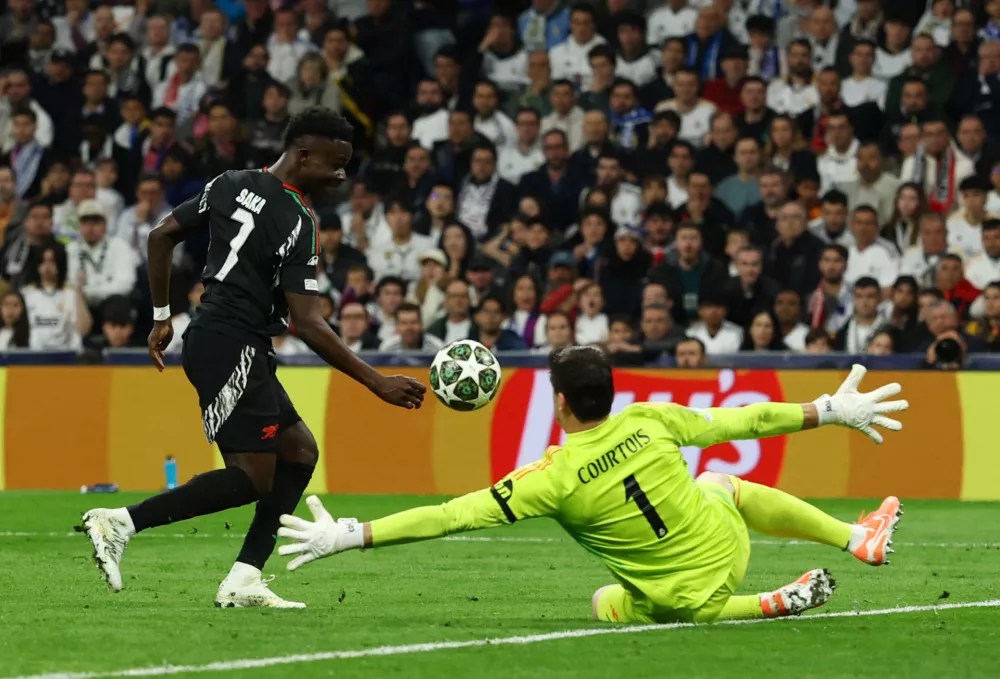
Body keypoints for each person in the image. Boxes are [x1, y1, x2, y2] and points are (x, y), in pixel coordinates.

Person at [79, 108, 426, 609]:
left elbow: (160, 236)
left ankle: (244, 578)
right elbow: (308, 322)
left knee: (300, 451)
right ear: (305, 155)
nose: (342, 174)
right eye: (337, 162)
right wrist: (376, 382)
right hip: (232, 344)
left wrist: (160, 317)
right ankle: (121, 522)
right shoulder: (299, 220)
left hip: (219, 338)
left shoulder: (229, 182)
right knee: (251, 477)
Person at [278, 351, 908, 626]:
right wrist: (828, 409)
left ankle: (762, 605)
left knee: (610, 602)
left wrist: (350, 535)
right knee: (719, 481)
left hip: (677, 598)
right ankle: (855, 537)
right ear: (610, 393)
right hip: (727, 548)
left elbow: (447, 517)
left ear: (558, 403)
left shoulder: (548, 480)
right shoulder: (652, 418)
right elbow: (749, 420)